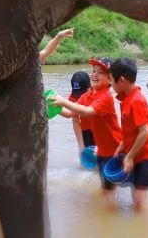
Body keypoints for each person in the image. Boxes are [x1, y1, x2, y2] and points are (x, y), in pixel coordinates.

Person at [52, 58, 122, 207]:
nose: (95, 75)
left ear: (110, 79)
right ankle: (108, 217)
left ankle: (111, 219)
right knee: (106, 189)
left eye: (100, 72)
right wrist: (49, 108)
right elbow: (70, 114)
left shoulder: (106, 97)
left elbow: (89, 112)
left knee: (108, 190)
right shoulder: (87, 96)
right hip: (102, 150)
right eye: (93, 71)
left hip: (113, 150)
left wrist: (63, 101)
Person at [109, 58, 148, 216]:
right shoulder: (127, 99)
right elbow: (131, 130)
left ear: (122, 80)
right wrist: (122, 145)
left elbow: (145, 132)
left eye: (111, 81)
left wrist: (129, 157)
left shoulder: (136, 100)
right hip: (142, 155)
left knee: (141, 197)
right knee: (137, 194)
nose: (110, 86)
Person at [68, 71, 93, 152]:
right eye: (77, 94)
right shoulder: (73, 97)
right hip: (86, 130)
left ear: (90, 87)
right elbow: (75, 120)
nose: (79, 98)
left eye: (82, 94)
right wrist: (81, 146)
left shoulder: (98, 95)